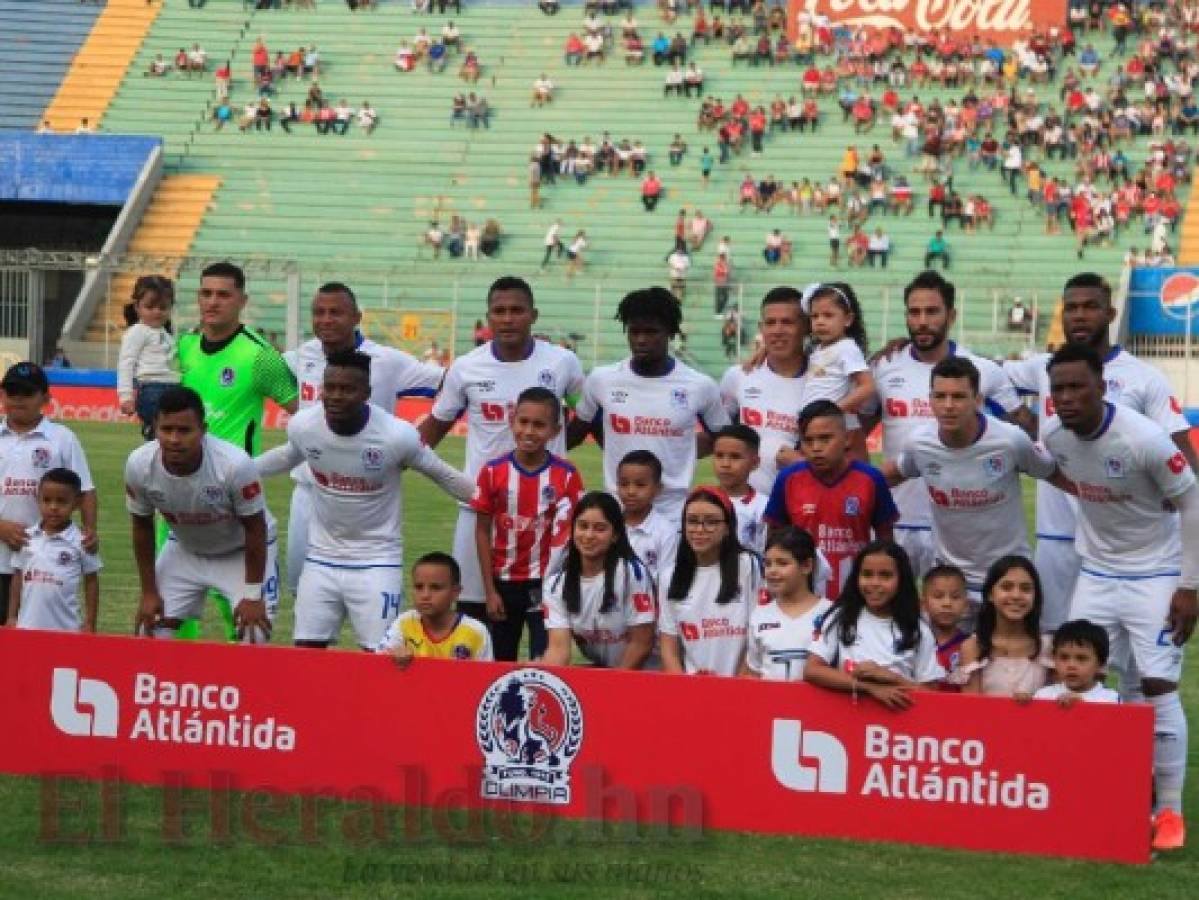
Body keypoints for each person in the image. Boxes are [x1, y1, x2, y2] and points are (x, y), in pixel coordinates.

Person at [1043, 344, 1198, 851]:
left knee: (1156, 684)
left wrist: (1190, 586)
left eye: (1076, 387)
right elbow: (1066, 475)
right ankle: (1091, 792)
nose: (1066, 397)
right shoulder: (1055, 437)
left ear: (1101, 388)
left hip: (1157, 573)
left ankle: (1170, 810)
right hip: (1098, 572)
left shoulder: (1145, 439)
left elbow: (1193, 502)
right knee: (1077, 678)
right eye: (1058, 388)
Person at [1002, 272, 1195, 632]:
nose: (1079, 315)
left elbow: (1180, 447)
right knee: (1058, 646)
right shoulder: (1043, 368)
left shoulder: (1144, 377)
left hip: (1126, 544)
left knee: (1134, 657)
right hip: (1057, 535)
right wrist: (1020, 413)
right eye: (1071, 308)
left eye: (1090, 307)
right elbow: (984, 373)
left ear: (1110, 313)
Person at [256, 351, 473, 650]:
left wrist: (489, 500)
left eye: (347, 389)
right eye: (329, 387)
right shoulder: (304, 425)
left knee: (379, 657)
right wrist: (239, 472)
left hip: (377, 561)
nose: (335, 396)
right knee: (306, 652)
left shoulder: (397, 436)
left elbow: (442, 474)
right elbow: (285, 457)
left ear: (367, 394)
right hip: (321, 559)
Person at [419, 278, 584, 623]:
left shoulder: (562, 362)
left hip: (545, 513)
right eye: (499, 311)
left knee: (549, 612)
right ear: (488, 317)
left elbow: (584, 416)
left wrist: (559, 450)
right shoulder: (466, 367)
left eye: (517, 311)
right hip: (482, 511)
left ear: (533, 315)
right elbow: (435, 427)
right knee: (475, 609)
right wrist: (395, 457)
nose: (508, 319)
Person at [262, 283, 443, 594]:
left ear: (357, 317)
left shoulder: (386, 360)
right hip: (310, 491)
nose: (326, 319)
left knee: (371, 598)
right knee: (303, 590)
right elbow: (267, 373)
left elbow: (450, 385)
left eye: (336, 312)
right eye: (319, 312)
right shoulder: (301, 356)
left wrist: (420, 442)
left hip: (369, 498)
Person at [865, 270, 1029, 576]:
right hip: (894, 519)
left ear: (951, 315)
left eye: (932, 311)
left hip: (957, 531)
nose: (922, 321)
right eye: (914, 312)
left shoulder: (982, 370)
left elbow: (1024, 430)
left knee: (947, 617)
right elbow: (855, 433)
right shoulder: (884, 365)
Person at [175, 261, 298, 641]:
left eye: (223, 295)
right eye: (206, 293)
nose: (213, 302)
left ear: (242, 301)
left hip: (230, 501)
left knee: (242, 613)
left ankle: (244, 690)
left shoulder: (260, 357)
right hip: (178, 492)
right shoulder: (186, 346)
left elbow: (304, 419)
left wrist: (268, 464)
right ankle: (176, 685)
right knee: (173, 608)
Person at [885, 357, 1064, 615]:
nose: (948, 406)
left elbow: (1051, 472)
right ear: (930, 400)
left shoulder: (1010, 440)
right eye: (940, 396)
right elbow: (894, 474)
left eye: (958, 397)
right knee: (947, 655)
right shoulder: (919, 443)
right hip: (951, 582)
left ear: (977, 400)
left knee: (1009, 654)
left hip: (1006, 579)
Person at [127, 387, 276, 644]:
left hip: (240, 550)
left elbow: (255, 528)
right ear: (155, 428)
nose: (174, 439)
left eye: (184, 431)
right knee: (148, 629)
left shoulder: (234, 465)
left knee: (255, 634)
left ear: (203, 430)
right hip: (186, 547)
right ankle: (170, 684)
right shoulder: (139, 465)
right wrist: (149, 592)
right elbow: (142, 526)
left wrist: (252, 596)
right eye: (167, 429)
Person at [570, 287, 729, 522]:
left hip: (672, 513)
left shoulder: (699, 386)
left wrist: (684, 449)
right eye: (634, 332)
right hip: (617, 512)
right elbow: (577, 431)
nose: (641, 339)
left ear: (671, 333)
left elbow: (725, 438)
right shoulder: (602, 379)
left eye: (651, 332)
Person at [473, 387, 583, 661]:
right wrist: (489, 590)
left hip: (545, 584)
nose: (530, 431)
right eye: (523, 422)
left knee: (544, 660)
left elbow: (573, 534)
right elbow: (482, 530)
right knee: (500, 661)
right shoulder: (492, 472)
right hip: (503, 584)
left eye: (539, 425)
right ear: (512, 421)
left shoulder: (567, 476)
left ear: (555, 431)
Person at [766, 401, 896, 597]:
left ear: (846, 439)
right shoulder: (788, 479)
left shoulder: (871, 479)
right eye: (808, 440)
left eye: (825, 438)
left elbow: (886, 540)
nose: (816, 448)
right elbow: (774, 539)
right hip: (802, 596)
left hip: (855, 595)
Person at [0, 363, 97, 625]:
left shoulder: (62, 438)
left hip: (40, 562)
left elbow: (86, 489)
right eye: (12, 392)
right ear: (2, 395)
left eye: (27, 393)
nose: (18, 399)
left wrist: (88, 532)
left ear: (45, 398)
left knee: (34, 640)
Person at [804, 540, 945, 707]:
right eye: (867, 574)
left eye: (885, 575)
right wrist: (869, 688)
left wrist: (890, 677)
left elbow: (932, 696)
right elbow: (812, 670)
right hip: (846, 720)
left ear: (902, 580)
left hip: (899, 727)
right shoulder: (842, 617)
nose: (874, 583)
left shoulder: (918, 630)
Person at [542, 492, 656, 668]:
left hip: (646, 674)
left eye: (599, 528)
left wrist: (611, 688)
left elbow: (641, 644)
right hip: (605, 672)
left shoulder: (632, 574)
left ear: (615, 535)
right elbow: (559, 651)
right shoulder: (555, 585)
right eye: (582, 526)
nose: (588, 535)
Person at [658, 487, 763, 676]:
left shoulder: (748, 567)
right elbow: (669, 646)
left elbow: (757, 636)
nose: (700, 530)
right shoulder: (669, 577)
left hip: (743, 684)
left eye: (711, 522)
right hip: (693, 689)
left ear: (728, 528)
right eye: (692, 522)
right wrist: (684, 686)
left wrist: (736, 686)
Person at [719, 287, 809, 493]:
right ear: (761, 327)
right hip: (743, 511)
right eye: (770, 323)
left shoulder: (822, 382)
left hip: (796, 511)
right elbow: (718, 434)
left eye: (787, 322)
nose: (777, 330)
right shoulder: (738, 376)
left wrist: (805, 466)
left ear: (806, 327)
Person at [5, 469, 100, 633]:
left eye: (62, 501)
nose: (53, 507)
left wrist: (90, 622)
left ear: (76, 503)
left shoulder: (82, 541)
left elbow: (91, 581)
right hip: (27, 627)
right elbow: (18, 577)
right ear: (38, 499)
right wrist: (12, 616)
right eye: (47, 500)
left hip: (65, 629)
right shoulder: (27, 537)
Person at [956, 556, 1053, 698]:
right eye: (1006, 587)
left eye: (1025, 589)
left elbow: (1058, 699)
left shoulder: (1048, 645)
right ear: (990, 594)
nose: (1016, 595)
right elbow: (972, 708)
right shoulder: (973, 646)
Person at [743, 527, 833, 681]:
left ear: (807, 566)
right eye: (768, 564)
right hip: (769, 704)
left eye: (782, 563)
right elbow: (752, 673)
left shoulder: (830, 613)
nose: (772, 571)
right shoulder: (759, 614)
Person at [797, 283, 874, 460]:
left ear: (847, 319)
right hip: (818, 425)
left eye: (828, 315)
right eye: (814, 316)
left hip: (841, 425)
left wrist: (833, 411)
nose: (820, 321)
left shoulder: (846, 348)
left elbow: (867, 386)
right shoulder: (817, 350)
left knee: (853, 478)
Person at [375, 552, 493, 663]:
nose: (425, 595)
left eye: (436, 587)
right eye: (419, 587)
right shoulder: (404, 623)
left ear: (455, 592)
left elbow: (487, 679)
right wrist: (392, 656)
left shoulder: (476, 632)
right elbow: (378, 664)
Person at [118, 275, 179, 440]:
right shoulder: (137, 332)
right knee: (161, 438)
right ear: (137, 307)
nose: (157, 312)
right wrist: (126, 396)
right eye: (150, 307)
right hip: (153, 390)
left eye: (163, 307)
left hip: (174, 388)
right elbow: (126, 364)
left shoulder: (166, 334)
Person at [616, 449, 678, 587]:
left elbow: (665, 582)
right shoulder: (610, 525)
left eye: (640, 485)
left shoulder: (665, 532)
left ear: (658, 488)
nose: (631, 491)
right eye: (624, 484)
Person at [1032, 619, 1121, 705]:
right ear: (1054, 659)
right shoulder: (1043, 696)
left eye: (1081, 658)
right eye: (1064, 657)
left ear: (1101, 664)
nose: (1071, 665)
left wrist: (1082, 708)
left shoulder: (1111, 699)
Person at [712, 425, 767, 553]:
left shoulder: (765, 507)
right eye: (719, 456)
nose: (725, 464)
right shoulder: (699, 502)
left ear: (755, 463)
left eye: (735, 457)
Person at [922, 563, 969, 689]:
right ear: (923, 604)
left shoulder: (970, 646)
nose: (947, 603)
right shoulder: (915, 643)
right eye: (938, 596)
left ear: (966, 605)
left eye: (955, 597)